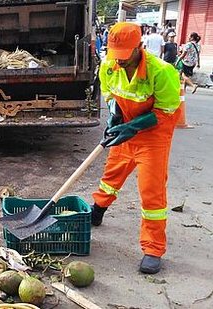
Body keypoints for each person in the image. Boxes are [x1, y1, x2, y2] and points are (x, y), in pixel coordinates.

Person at [92, 22, 181, 274]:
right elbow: (112, 97)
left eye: (124, 55)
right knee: (112, 174)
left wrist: (133, 127)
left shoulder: (161, 72)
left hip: (153, 136)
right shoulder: (109, 66)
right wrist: (114, 118)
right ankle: (98, 209)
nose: (118, 61)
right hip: (128, 128)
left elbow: (166, 112)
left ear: (139, 48)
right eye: (114, 55)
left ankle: (153, 248)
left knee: (151, 191)